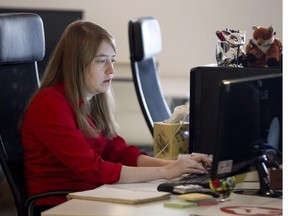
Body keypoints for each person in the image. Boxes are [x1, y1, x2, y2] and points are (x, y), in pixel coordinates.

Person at [20, 20, 211, 213]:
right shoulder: (50, 105)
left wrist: (180, 165)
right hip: (61, 206)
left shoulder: (89, 100)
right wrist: (166, 172)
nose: (111, 69)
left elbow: (121, 153)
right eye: (102, 60)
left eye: (113, 59)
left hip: (92, 196)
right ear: (76, 64)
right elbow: (93, 169)